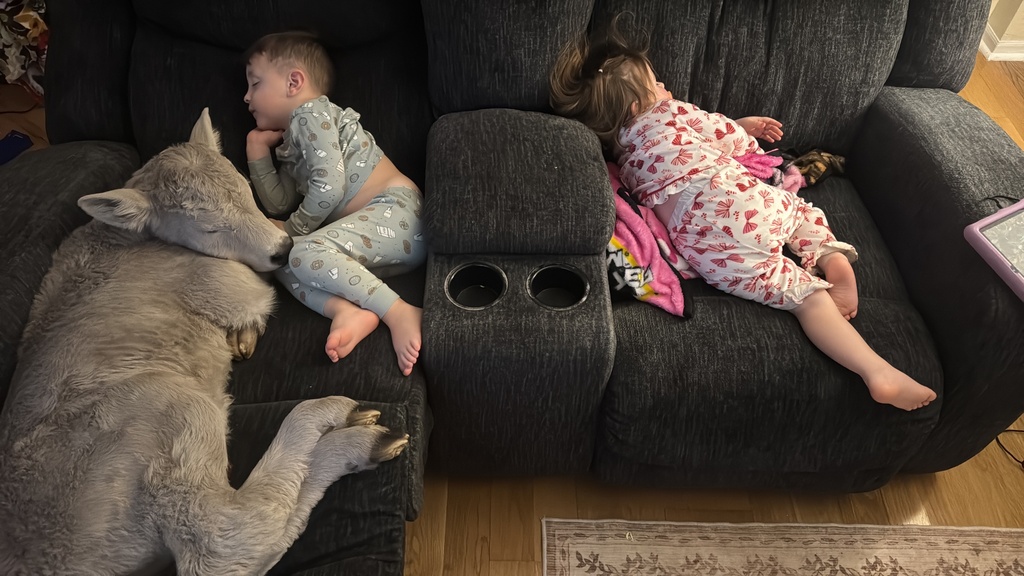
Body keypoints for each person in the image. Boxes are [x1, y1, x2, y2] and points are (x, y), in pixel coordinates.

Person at [549, 21, 936, 411]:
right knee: (802, 212)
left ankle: (875, 372)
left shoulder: (626, 163)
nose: (666, 88)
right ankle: (831, 259)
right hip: (744, 204)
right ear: (639, 105)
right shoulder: (670, 112)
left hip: (709, 249)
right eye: (658, 82)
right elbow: (732, 141)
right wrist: (744, 129)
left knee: (803, 300)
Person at [243, 31, 426, 376]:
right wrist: (257, 153)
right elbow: (279, 202)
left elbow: (328, 188)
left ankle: (398, 311)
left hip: (400, 213)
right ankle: (348, 310)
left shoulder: (311, 114)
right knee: (278, 258)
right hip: (375, 242)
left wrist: (293, 231)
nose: (246, 97)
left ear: (294, 81)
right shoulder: (292, 142)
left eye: (255, 84)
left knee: (297, 249)